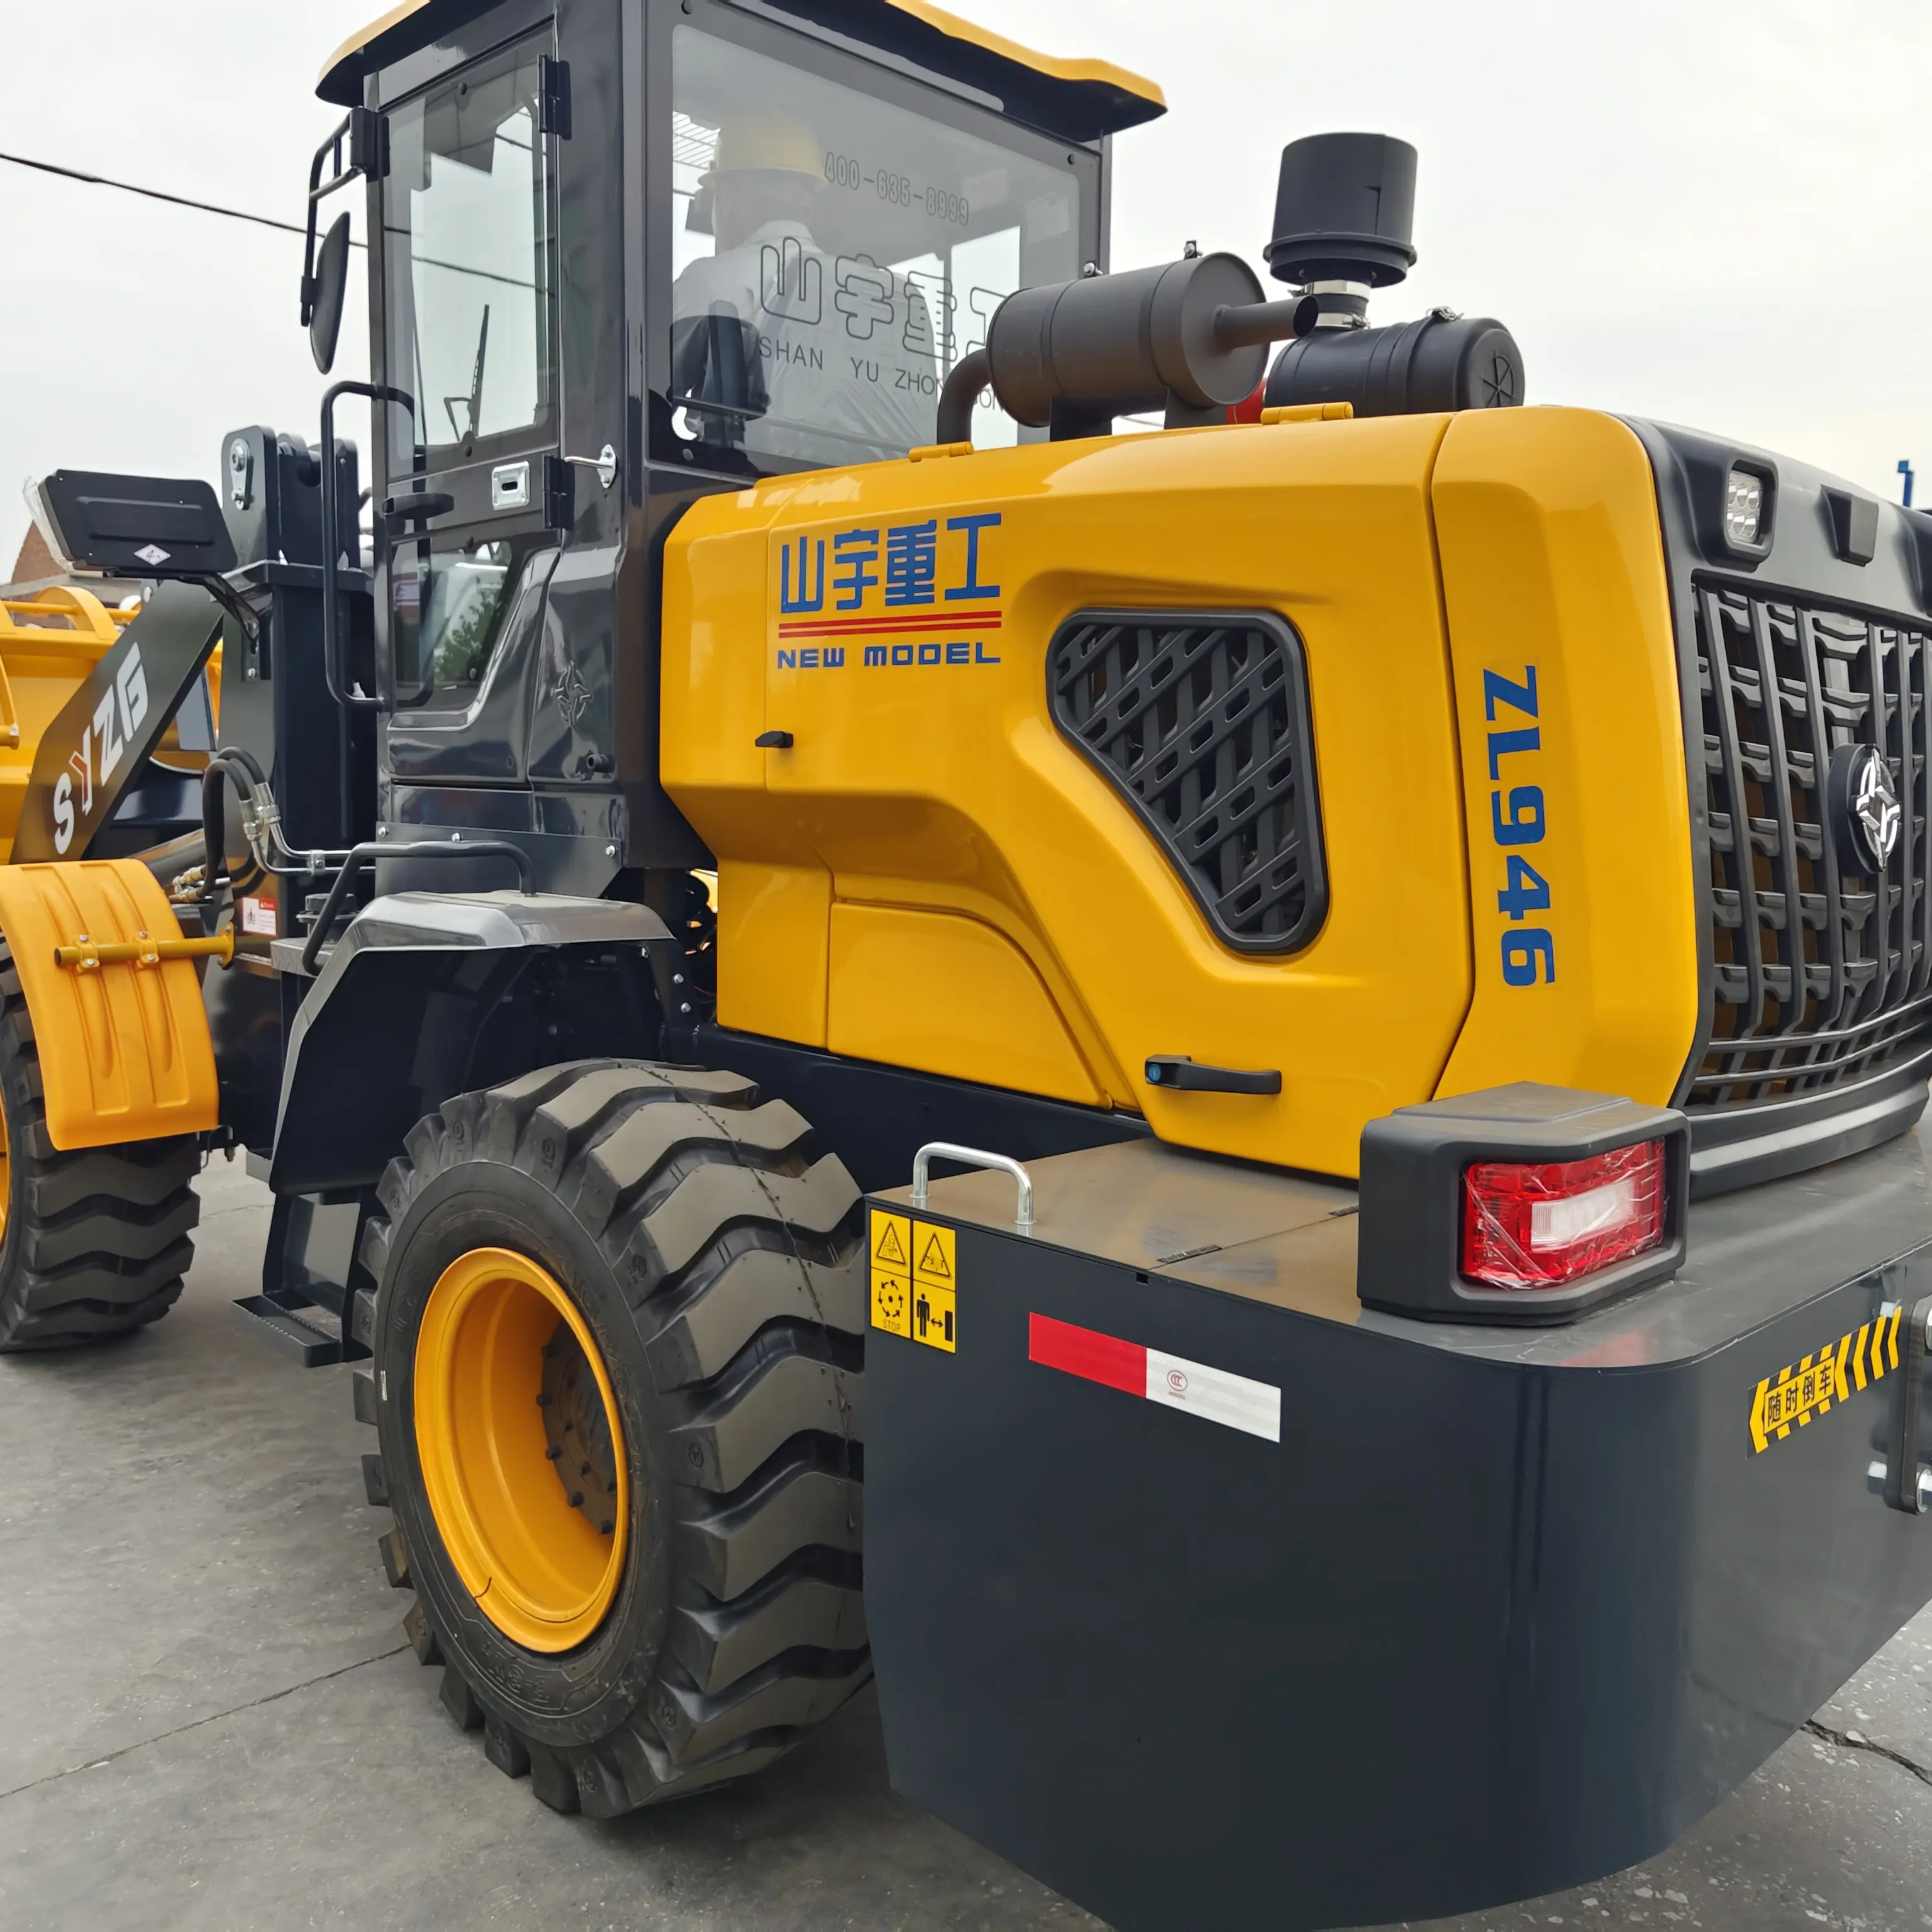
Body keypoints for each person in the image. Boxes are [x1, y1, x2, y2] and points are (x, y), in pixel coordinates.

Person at [671, 117, 937, 465]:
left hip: (753, 499)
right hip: (888, 499)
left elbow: (637, 389)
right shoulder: (891, 297)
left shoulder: (709, 280)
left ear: (730, 197)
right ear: (807, 205)